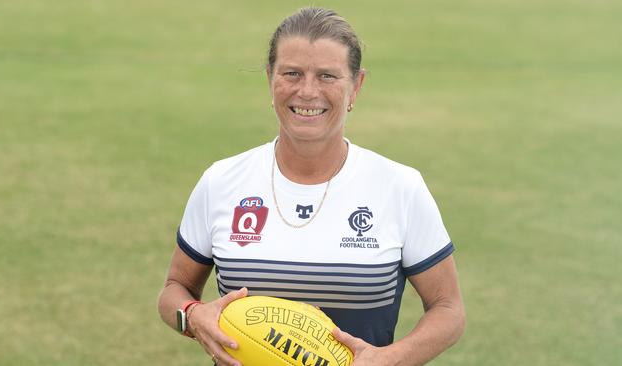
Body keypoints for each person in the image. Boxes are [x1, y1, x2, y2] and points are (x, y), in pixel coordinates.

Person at [158, 7, 465, 366]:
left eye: (327, 76)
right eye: (292, 73)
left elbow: (449, 310)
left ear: (357, 86)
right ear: (269, 79)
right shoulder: (222, 181)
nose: (307, 91)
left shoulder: (399, 187)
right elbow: (173, 291)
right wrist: (193, 315)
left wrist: (389, 359)